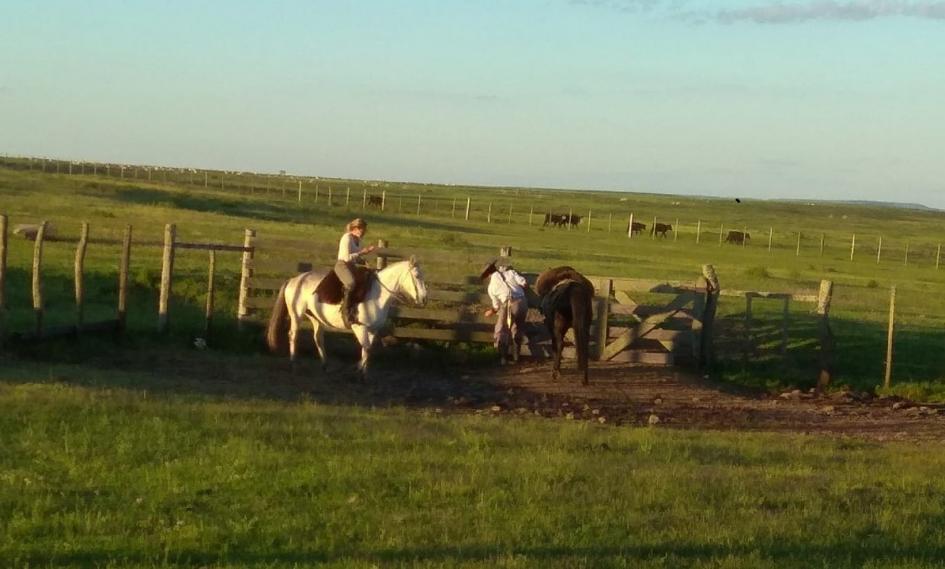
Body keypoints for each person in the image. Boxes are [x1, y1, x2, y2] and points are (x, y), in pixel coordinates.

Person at [480, 258, 529, 364]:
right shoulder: (511, 273)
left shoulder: (491, 287)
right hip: (522, 302)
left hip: (508, 304)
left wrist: (491, 311)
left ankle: (503, 358)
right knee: (518, 328)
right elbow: (524, 283)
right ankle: (516, 357)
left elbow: (496, 306)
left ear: (488, 275)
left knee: (501, 330)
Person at [336, 218, 377, 327]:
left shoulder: (357, 240)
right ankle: (345, 311)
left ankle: (359, 308)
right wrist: (362, 252)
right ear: (355, 229)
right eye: (361, 230)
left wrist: (364, 261)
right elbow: (346, 257)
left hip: (351, 265)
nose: (363, 233)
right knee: (351, 283)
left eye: (364, 231)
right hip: (342, 265)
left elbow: (355, 257)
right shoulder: (347, 238)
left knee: (366, 279)